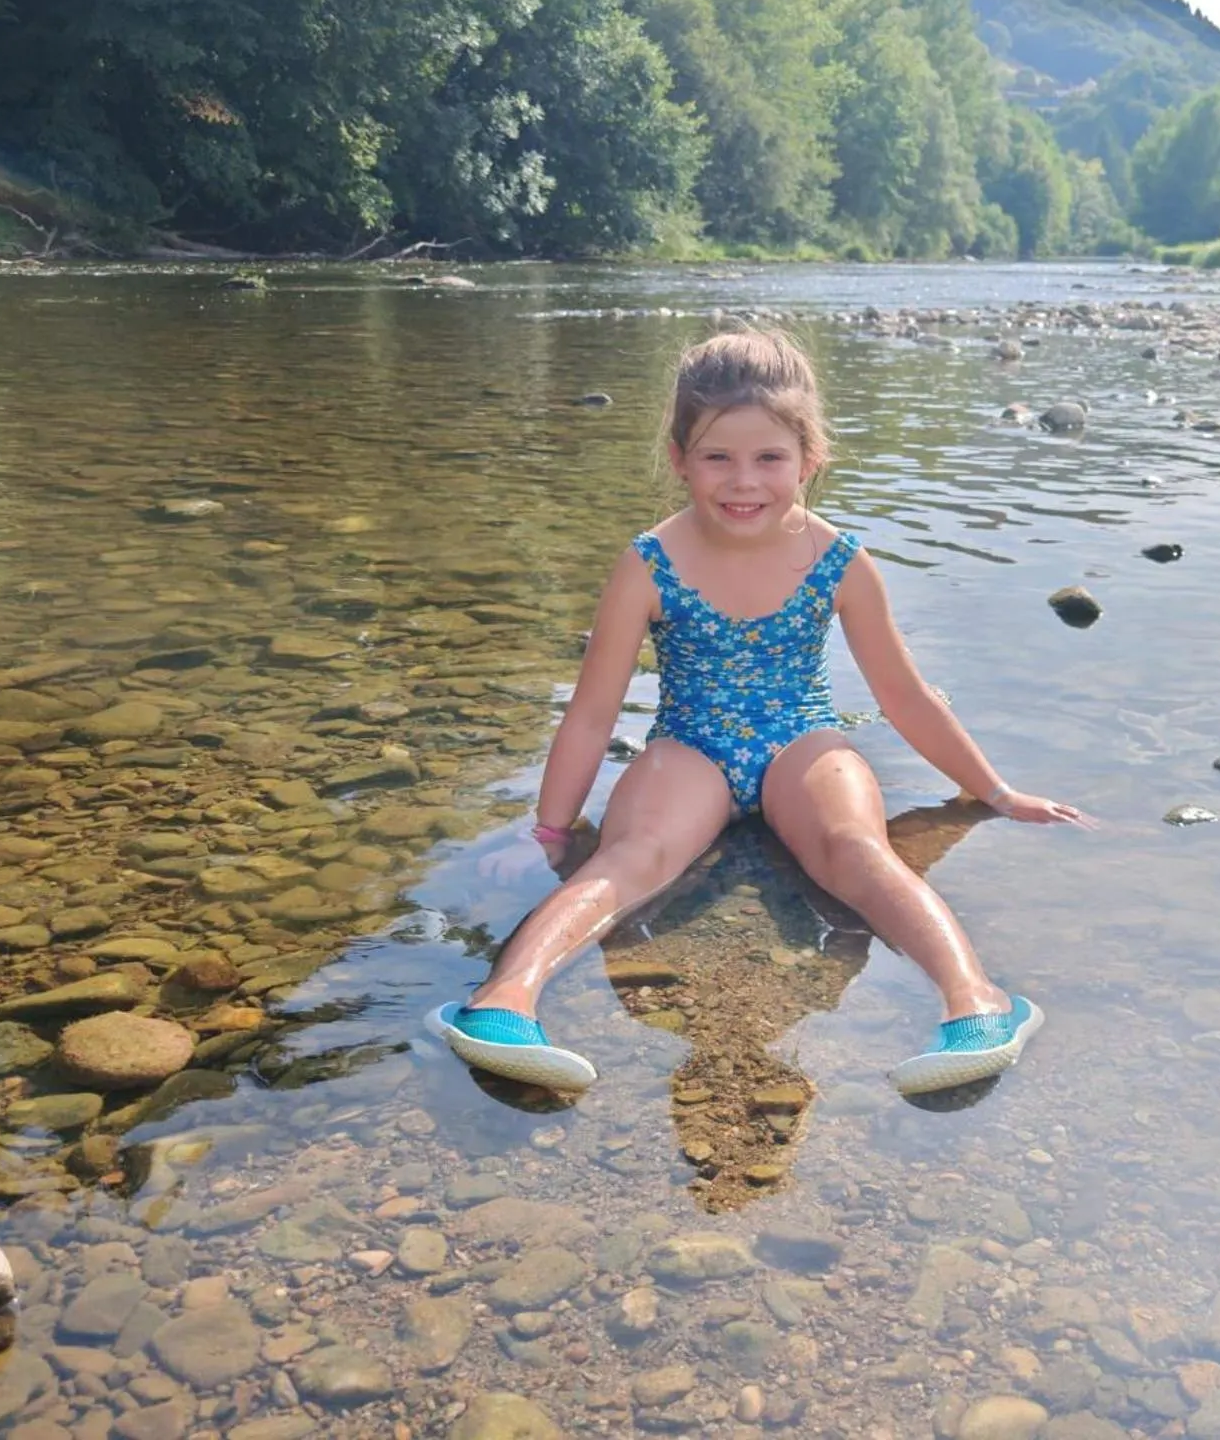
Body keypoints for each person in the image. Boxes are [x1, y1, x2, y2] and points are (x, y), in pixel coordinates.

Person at [428, 329, 1089, 1096]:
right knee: (630, 855)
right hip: (689, 750)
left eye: (769, 459)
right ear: (679, 458)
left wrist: (996, 792)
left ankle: (979, 1005)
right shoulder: (649, 562)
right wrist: (549, 831)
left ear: (809, 457)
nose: (744, 482)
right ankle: (500, 1003)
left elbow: (903, 695)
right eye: (718, 458)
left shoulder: (838, 560)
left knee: (854, 850)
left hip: (801, 743)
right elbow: (591, 712)